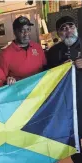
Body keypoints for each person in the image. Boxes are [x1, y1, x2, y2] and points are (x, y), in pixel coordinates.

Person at [45, 16, 82, 163]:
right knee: (74, 137)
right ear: (58, 34)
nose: (68, 31)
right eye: (63, 29)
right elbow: (47, 78)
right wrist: (59, 70)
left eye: (71, 26)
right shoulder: (53, 52)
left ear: (76, 28)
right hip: (67, 105)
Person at [0, 16, 46, 81]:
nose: (26, 33)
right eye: (22, 30)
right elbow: (1, 79)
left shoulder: (38, 48)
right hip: (21, 90)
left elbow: (45, 68)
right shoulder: (5, 54)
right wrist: (8, 80)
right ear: (15, 32)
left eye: (28, 29)